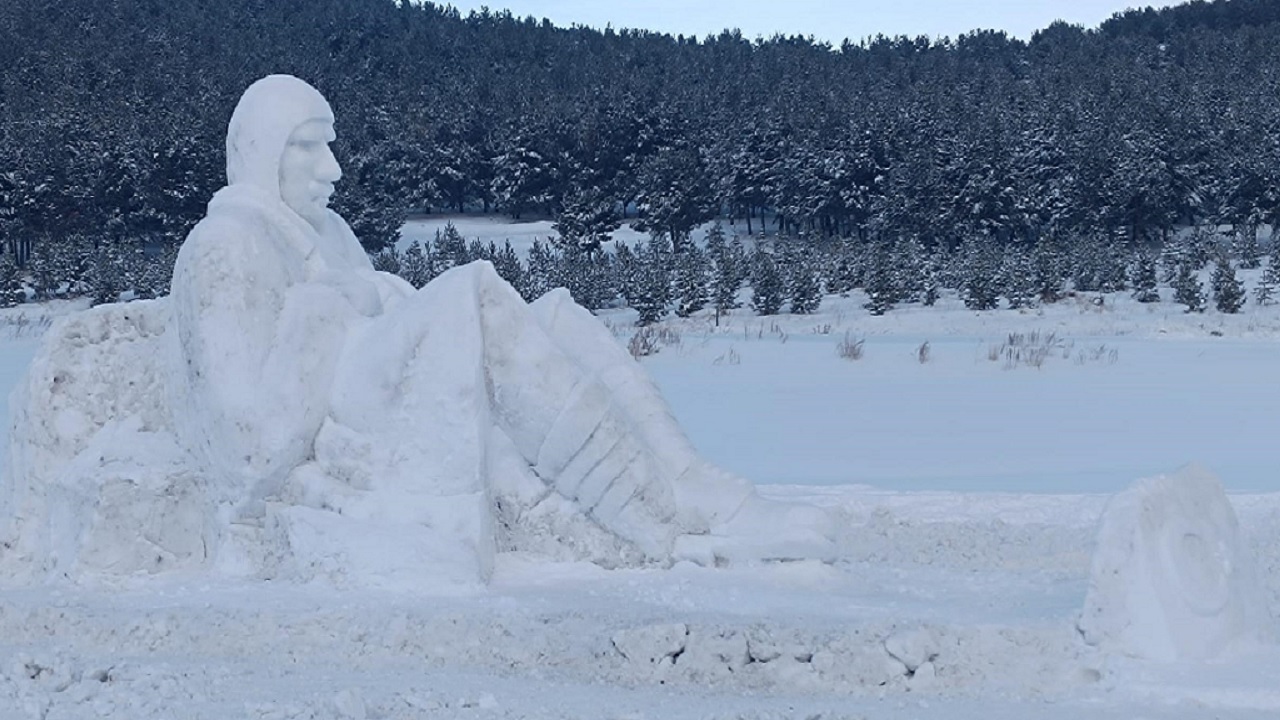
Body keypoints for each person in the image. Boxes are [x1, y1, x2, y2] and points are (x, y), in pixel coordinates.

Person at [7, 74, 834, 586]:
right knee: (474, 290)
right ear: (262, 156)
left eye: (330, 147)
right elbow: (246, 446)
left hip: (362, 393)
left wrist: (371, 298)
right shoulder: (225, 249)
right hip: (327, 438)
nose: (331, 170)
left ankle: (693, 486)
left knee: (554, 314)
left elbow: (369, 302)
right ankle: (652, 516)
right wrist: (336, 309)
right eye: (307, 149)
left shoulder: (320, 235)